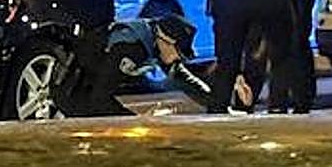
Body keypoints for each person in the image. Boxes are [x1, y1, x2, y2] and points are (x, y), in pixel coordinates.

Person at [53, 15, 232, 117]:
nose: (178, 57)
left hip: (91, 83)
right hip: (73, 88)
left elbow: (184, 78)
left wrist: (219, 106)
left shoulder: (155, 41)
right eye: (177, 51)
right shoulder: (130, 48)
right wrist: (136, 122)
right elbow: (100, 97)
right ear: (165, 41)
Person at [206, 0, 305, 114]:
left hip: (230, 7)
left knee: (227, 61)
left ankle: (219, 105)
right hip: (271, 2)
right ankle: (277, 105)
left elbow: (214, 1)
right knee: (281, 56)